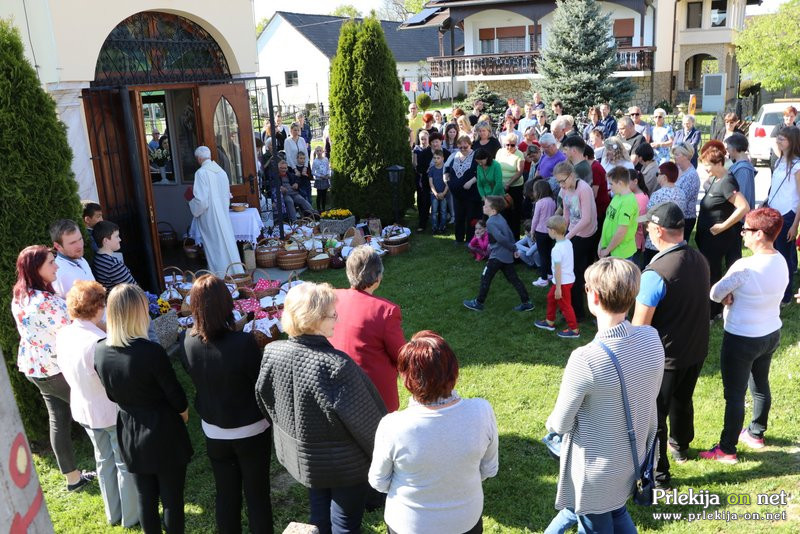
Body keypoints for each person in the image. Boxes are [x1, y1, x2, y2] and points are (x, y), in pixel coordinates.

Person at [256, 282, 387, 534]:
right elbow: (371, 426)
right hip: (345, 467)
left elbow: (265, 401)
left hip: (305, 461)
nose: (337, 318)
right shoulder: (337, 366)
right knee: (345, 526)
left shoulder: (271, 353)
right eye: (332, 314)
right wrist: (386, 460)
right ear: (313, 320)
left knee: (318, 519)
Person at [546, 258, 664, 532]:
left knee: (595, 516)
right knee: (615, 510)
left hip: (597, 473)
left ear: (594, 296)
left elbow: (560, 424)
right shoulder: (652, 338)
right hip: (633, 460)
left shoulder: (586, 358)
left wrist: (549, 427)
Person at [369, 331, 499, 534]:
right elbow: (489, 469)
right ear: (454, 371)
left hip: (409, 525)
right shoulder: (482, 411)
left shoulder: (392, 426)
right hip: (465, 521)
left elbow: (379, 481)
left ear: (407, 377)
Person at [95, 284, 193, 534]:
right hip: (162, 432)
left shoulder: (99, 351)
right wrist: (183, 415)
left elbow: (110, 393)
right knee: (172, 501)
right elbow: (176, 397)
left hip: (130, 431)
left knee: (145, 498)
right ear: (137, 313)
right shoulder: (151, 351)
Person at [181, 275, 273, 534]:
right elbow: (260, 384)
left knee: (226, 495)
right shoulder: (243, 343)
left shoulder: (187, 342)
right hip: (250, 428)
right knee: (257, 497)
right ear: (226, 304)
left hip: (215, 429)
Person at [699, 208, 788, 464]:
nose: (742, 234)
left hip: (742, 337)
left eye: (746, 230)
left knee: (735, 395)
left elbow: (715, 292)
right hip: (770, 333)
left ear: (759, 234)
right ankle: (756, 433)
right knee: (760, 385)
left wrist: (728, 296)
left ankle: (727, 449)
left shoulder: (744, 266)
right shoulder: (781, 260)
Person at [633, 201, 710, 486]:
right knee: (683, 399)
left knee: (655, 415)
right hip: (695, 349)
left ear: (658, 231)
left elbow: (640, 326)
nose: (647, 232)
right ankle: (681, 445)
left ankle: (659, 473)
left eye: (648, 227)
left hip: (664, 359)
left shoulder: (654, 274)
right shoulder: (699, 258)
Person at [12, 245, 96, 492]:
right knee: (93, 414)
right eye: (51, 262)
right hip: (55, 370)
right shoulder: (46, 302)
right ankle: (113, 463)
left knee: (58, 418)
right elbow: (77, 329)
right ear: (35, 268)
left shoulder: (20, 295)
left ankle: (73, 478)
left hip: (35, 369)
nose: (57, 266)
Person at [57, 280, 138, 527]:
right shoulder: (100, 342)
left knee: (103, 461)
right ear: (98, 307)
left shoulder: (64, 334)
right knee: (123, 462)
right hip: (109, 410)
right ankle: (130, 517)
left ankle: (113, 514)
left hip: (83, 407)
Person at [330, 246, 406, 412]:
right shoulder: (385, 311)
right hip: (374, 394)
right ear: (378, 277)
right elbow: (402, 356)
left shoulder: (333, 298)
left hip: (337, 387)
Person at [696, 140, 750, 318]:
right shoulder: (716, 179)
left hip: (717, 238)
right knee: (712, 271)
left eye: (708, 166)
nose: (706, 170)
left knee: (713, 273)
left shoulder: (727, 182)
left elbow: (744, 207)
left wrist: (722, 226)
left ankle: (712, 312)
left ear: (719, 163)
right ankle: (717, 308)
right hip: (708, 238)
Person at [463, 196, 533, 312]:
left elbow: (501, 238)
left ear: (493, 210)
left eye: (485, 205)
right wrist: (513, 248)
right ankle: (527, 303)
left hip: (497, 256)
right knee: (514, 279)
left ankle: (478, 303)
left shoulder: (490, 222)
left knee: (486, 276)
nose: (483, 206)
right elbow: (509, 234)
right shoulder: (500, 217)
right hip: (505, 256)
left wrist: (512, 248)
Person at [187, 146, 243, 275]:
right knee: (226, 242)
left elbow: (201, 201)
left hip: (209, 216)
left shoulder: (201, 173)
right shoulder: (221, 172)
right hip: (223, 214)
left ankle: (220, 275)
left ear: (199, 159)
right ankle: (234, 273)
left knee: (215, 247)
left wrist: (191, 202)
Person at [556, 161, 598, 322]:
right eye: (559, 181)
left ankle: (578, 312)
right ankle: (573, 308)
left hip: (586, 235)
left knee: (575, 272)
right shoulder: (565, 189)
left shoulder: (584, 189)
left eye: (563, 180)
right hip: (573, 233)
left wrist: (567, 237)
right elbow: (566, 214)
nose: (561, 185)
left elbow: (586, 219)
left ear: (572, 175)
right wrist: (562, 232)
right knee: (572, 272)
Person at [764, 126, 800, 304]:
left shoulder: (797, 166)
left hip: (787, 216)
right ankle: (775, 289)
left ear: (792, 142)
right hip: (774, 213)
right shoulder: (779, 161)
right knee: (773, 253)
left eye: (782, 138)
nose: (778, 140)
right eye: (778, 137)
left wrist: (795, 225)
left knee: (784, 257)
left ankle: (786, 296)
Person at [534, 215, 580, 338]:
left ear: (553, 231)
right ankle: (550, 321)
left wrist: (558, 288)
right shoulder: (568, 242)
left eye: (548, 229)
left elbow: (558, 270)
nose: (548, 232)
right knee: (551, 297)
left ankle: (574, 329)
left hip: (562, 283)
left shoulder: (557, 249)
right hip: (566, 280)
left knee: (565, 305)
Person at [642, 163, 687, 265]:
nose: (656, 176)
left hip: (657, 240)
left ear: (664, 177)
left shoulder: (657, 194)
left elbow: (648, 216)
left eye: (657, 174)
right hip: (674, 239)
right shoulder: (681, 193)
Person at [445, 135, 481, 243]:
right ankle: (459, 238)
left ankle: (469, 239)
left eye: (465, 147)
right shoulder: (454, 155)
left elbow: (480, 171)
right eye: (460, 147)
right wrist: (447, 181)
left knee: (470, 216)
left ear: (470, 145)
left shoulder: (475, 156)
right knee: (459, 216)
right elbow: (446, 168)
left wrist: (470, 182)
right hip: (457, 194)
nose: (463, 149)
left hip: (471, 193)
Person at [599, 167, 639, 260]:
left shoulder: (628, 202)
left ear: (620, 183)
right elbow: (608, 220)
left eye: (611, 184)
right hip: (610, 250)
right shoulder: (617, 196)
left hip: (621, 254)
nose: (609, 187)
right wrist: (601, 243)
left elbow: (621, 231)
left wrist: (607, 250)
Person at [50, 219, 95, 299]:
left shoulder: (81, 259)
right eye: (72, 243)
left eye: (80, 239)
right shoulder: (59, 273)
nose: (80, 246)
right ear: (58, 246)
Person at [91, 221, 136, 292]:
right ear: (105, 240)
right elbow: (134, 290)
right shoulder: (114, 265)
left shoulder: (97, 258)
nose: (120, 239)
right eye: (117, 236)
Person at [496, 133, 525, 239]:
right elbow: (496, 167)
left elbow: (520, 171)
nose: (509, 147)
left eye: (512, 145)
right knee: (503, 211)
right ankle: (504, 235)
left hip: (515, 186)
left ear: (516, 144)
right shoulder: (500, 152)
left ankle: (515, 236)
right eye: (507, 145)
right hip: (501, 186)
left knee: (514, 212)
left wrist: (508, 183)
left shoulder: (519, 154)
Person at [672, 142, 701, 242]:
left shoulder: (691, 175)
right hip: (676, 215)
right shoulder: (679, 169)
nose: (674, 157)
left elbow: (683, 200)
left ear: (686, 156)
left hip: (685, 219)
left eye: (677, 154)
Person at [530, 180, 557, 287]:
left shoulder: (539, 203)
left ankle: (543, 278)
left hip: (540, 232)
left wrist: (532, 232)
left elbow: (535, 219)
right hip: (550, 232)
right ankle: (550, 273)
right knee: (549, 253)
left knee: (542, 255)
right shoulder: (552, 200)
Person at [725, 133, 756, 209]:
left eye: (727, 148)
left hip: (739, 217)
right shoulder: (740, 165)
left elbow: (743, 195)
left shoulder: (743, 169)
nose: (727, 151)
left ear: (734, 149)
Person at [428, 149, 449, 234]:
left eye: (438, 158)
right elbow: (431, 183)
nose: (436, 160)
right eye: (434, 158)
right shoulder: (432, 169)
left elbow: (448, 183)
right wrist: (436, 193)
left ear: (443, 158)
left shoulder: (446, 169)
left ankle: (442, 227)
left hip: (444, 194)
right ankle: (434, 227)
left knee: (443, 211)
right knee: (434, 211)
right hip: (434, 194)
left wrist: (444, 193)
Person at [312, 145, 331, 212]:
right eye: (317, 151)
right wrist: (320, 176)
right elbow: (313, 172)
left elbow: (328, 168)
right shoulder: (315, 161)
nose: (319, 152)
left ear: (322, 151)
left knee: (324, 195)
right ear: (316, 152)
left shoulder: (326, 159)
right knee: (319, 195)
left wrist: (328, 174)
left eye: (320, 151)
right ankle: (318, 208)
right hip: (319, 180)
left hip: (325, 179)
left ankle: (323, 208)